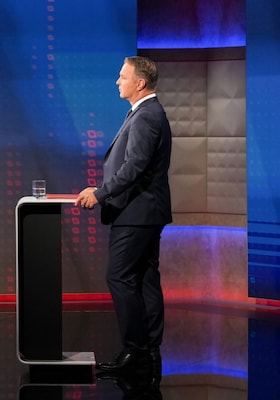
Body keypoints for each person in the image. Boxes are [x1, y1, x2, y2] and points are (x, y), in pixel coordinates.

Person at [75, 56, 172, 382]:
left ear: (139, 83)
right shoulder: (145, 113)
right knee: (144, 279)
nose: (118, 81)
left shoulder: (146, 116)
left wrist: (100, 193)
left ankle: (134, 351)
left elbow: (134, 167)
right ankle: (148, 350)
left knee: (120, 277)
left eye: (122, 76)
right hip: (142, 212)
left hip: (137, 212)